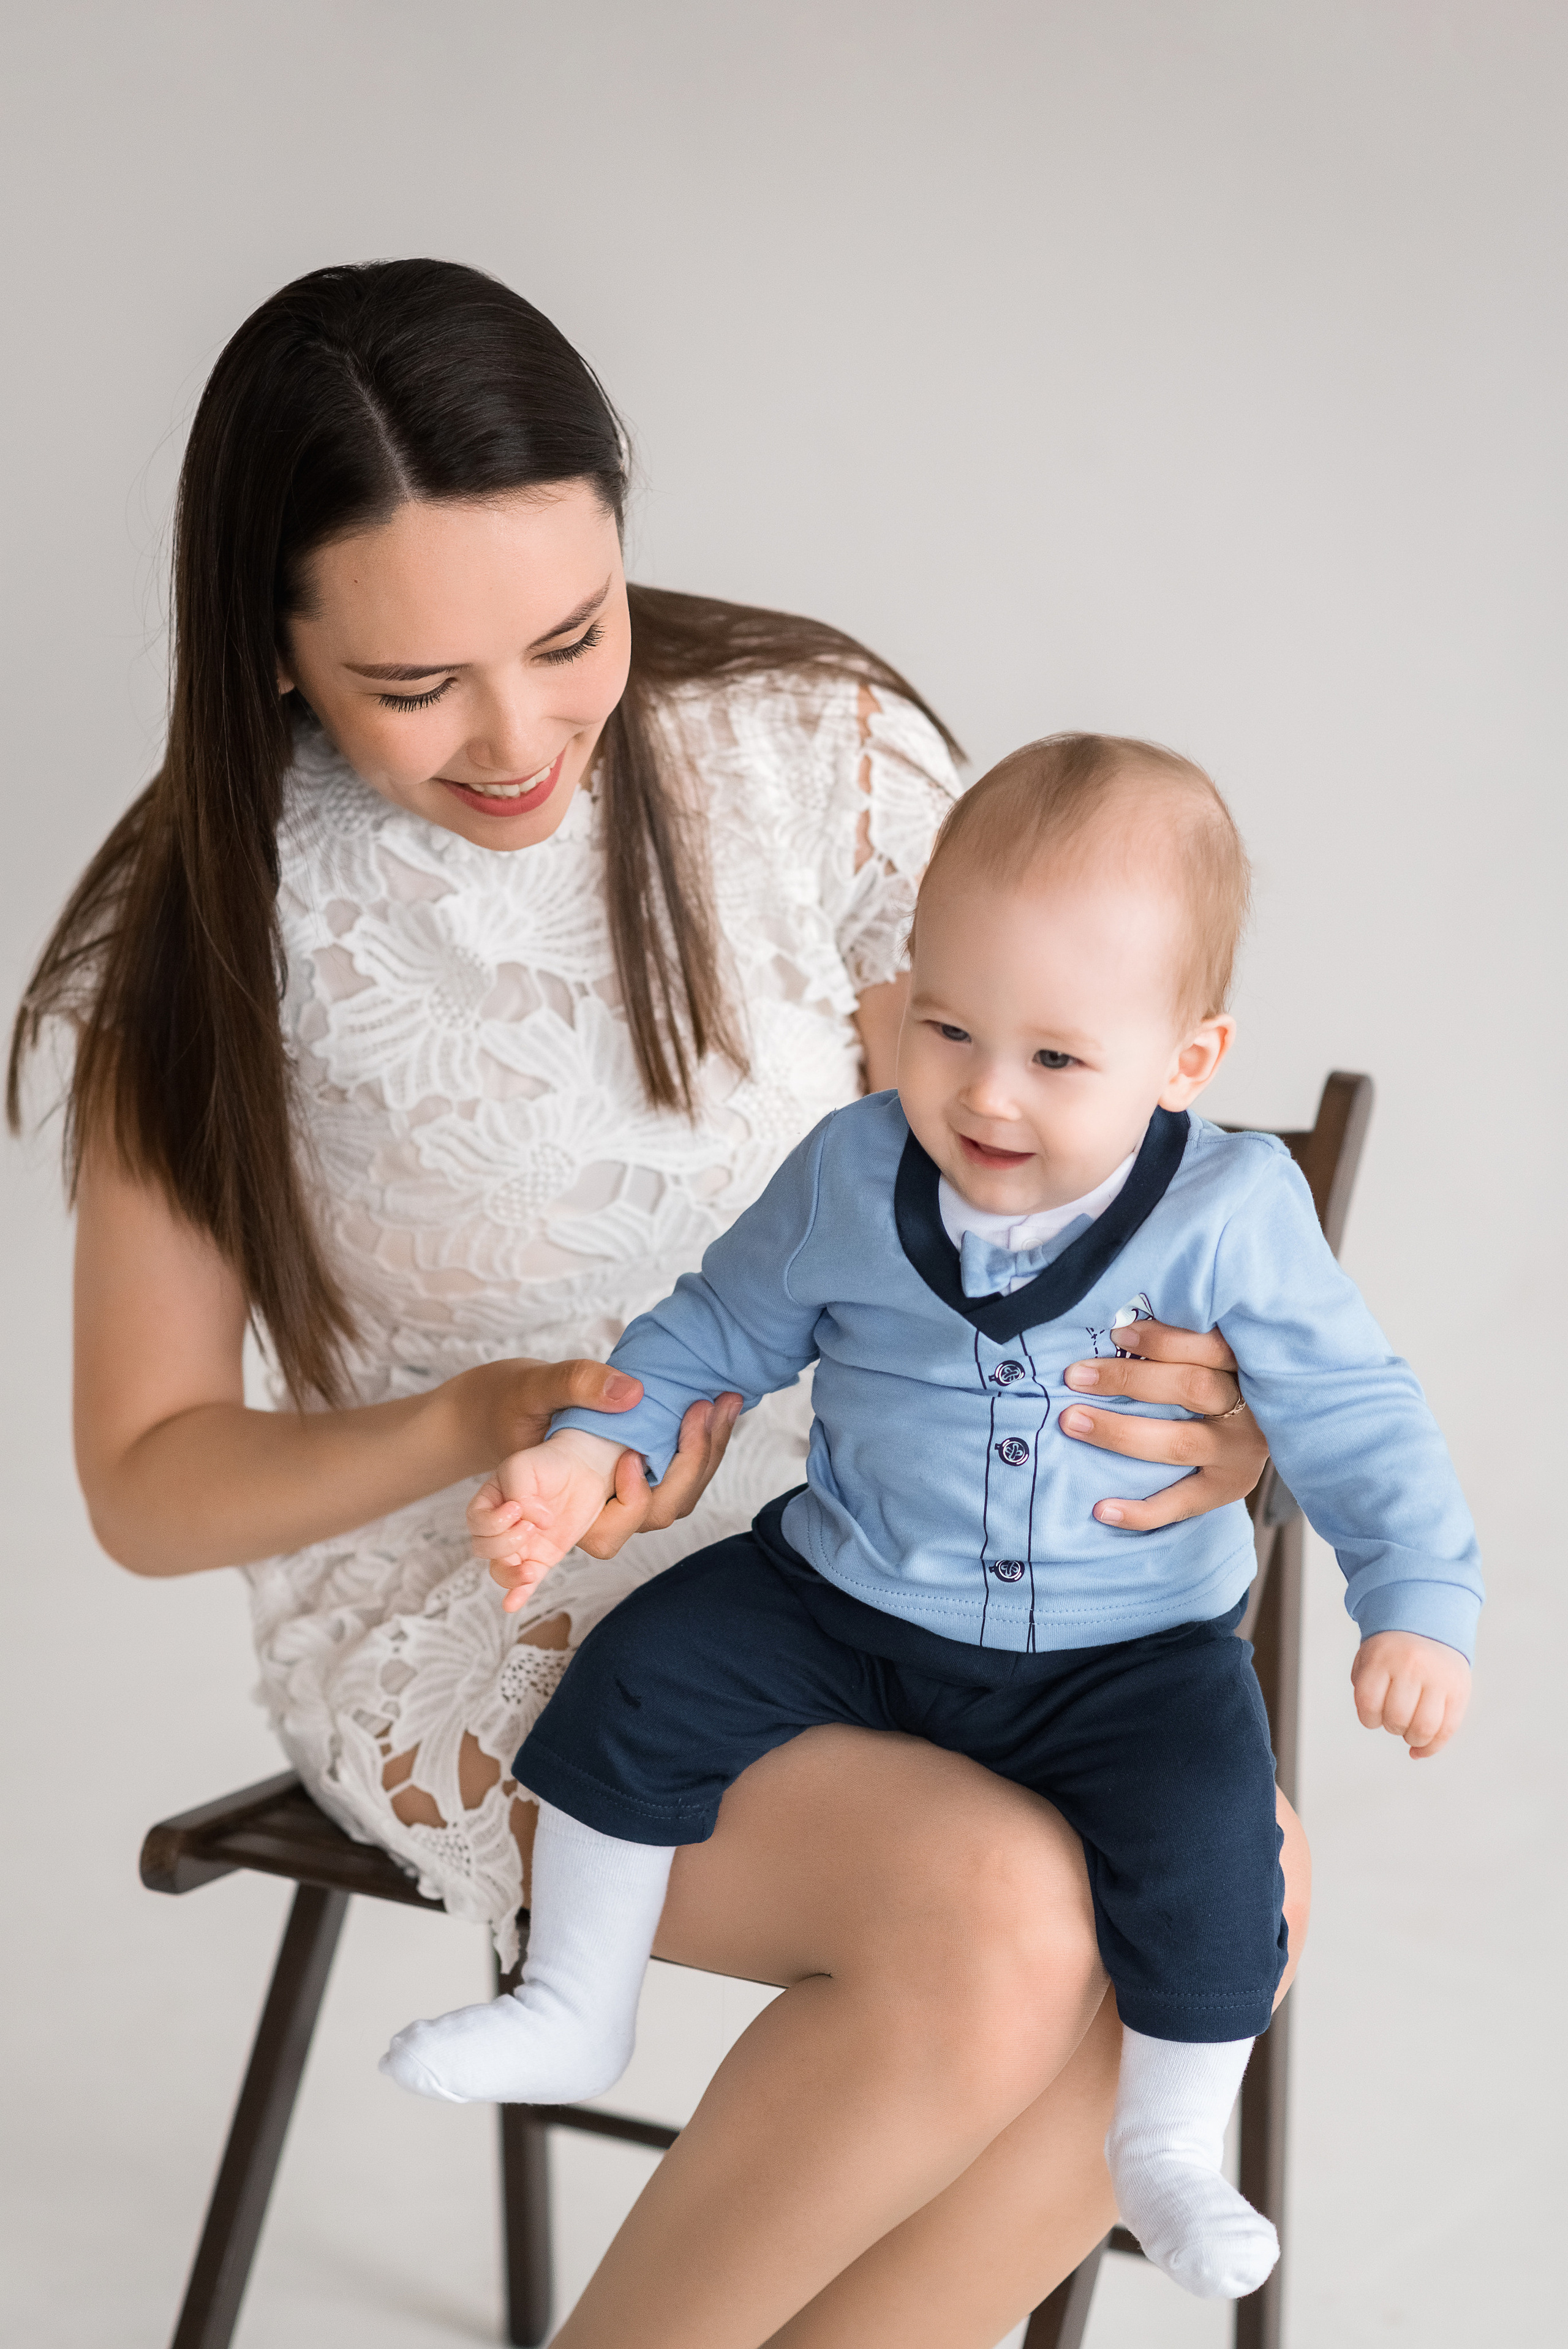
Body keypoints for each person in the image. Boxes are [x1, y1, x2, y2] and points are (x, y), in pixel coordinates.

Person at [9, 260, 1303, 2348]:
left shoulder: (822, 752)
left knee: (1237, 1885)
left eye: (568, 632)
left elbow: (1084, 1149)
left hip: (895, 1528)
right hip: (486, 1593)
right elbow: (147, 1482)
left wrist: (1212, 1397)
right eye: (416, 683)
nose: (519, 734)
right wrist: (485, 1417)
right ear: (272, 644)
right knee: (993, 1916)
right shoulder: (205, 933)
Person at [385, 734, 1480, 2301]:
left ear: (1184, 1059)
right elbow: (711, 1332)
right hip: (846, 1601)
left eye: (1055, 1057)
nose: (983, 1092)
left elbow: (1354, 1412)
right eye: (948, 1026)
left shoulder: (1229, 1213)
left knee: (1215, 1848)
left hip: (1122, 1655)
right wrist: (584, 1446)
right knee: (642, 1673)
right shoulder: (851, 1167)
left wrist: (1417, 1601)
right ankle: (574, 1993)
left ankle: (1167, 2143)